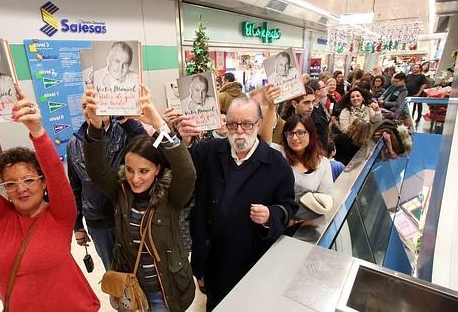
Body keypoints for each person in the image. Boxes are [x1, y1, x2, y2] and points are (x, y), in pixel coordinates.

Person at [0, 85, 100, 311]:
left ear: (43, 181)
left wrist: (38, 132)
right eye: (11, 184)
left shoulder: (60, 215)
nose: (21, 189)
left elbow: (57, 175)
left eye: (29, 180)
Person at [83, 85, 196, 311]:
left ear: (157, 169)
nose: (135, 179)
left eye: (144, 171)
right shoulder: (121, 191)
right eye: (130, 169)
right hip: (134, 289)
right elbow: (96, 170)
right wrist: (95, 127)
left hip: (166, 290)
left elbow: (187, 172)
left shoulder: (171, 195)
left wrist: (159, 125)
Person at [180, 97, 298, 310]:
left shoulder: (276, 164)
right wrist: (185, 142)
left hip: (250, 261)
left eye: (247, 124)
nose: (239, 130)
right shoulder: (208, 152)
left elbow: (289, 208)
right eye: (233, 124)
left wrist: (271, 215)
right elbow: (182, 175)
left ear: (259, 124)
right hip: (211, 258)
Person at [68, 115, 146, 270]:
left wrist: (127, 120)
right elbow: (75, 187)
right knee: (114, 273)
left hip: (130, 214)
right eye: (86, 106)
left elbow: (146, 147)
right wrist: (77, 225)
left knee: (141, 267)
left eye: (96, 105)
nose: (92, 111)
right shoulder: (73, 144)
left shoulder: (124, 132)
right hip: (98, 222)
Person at [280, 115, 333, 222]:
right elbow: (264, 140)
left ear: (311, 134)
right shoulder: (280, 155)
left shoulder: (323, 163)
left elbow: (326, 197)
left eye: (300, 133)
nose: (294, 138)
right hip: (279, 219)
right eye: (290, 133)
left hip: (304, 224)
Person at [309, 79, 330, 153]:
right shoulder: (310, 111)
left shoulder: (320, 105)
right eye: (324, 87)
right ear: (317, 92)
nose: (327, 88)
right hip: (316, 151)